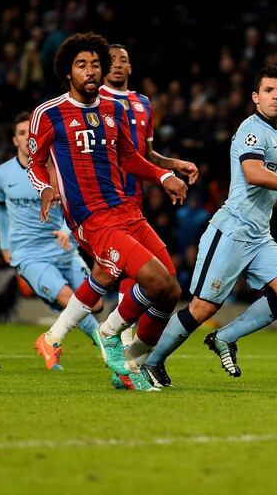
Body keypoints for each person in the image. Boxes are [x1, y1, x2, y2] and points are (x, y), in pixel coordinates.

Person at [139, 65, 277, 387]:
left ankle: (225, 338)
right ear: (256, 97)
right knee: (203, 307)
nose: (276, 96)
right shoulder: (252, 129)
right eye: (269, 91)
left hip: (259, 235)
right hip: (231, 231)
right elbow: (254, 173)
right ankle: (151, 362)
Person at [27, 32, 188, 391]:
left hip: (126, 210)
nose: (91, 71)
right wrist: (47, 188)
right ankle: (110, 331)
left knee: (172, 291)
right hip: (92, 219)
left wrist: (163, 175)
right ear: (68, 72)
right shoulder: (48, 114)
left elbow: (130, 157)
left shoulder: (116, 108)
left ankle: (131, 364)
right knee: (154, 282)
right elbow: (35, 163)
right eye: (82, 65)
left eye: (96, 64)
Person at [99, 44, 199, 379]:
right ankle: (124, 357)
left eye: (123, 60)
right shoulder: (92, 105)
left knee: (166, 288)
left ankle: (133, 360)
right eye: (110, 61)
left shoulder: (142, 104)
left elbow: (143, 155)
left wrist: (172, 167)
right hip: (106, 208)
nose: (117, 66)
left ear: (131, 67)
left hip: (135, 204)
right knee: (135, 281)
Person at [0, 112, 101, 369]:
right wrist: (5, 244)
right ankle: (108, 344)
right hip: (29, 253)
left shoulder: (57, 168)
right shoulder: (1, 174)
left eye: (31, 131)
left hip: (63, 248)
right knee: (68, 298)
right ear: (15, 139)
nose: (27, 136)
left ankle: (49, 342)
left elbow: (73, 203)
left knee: (94, 303)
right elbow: (0, 208)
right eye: (21, 133)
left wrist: (66, 229)